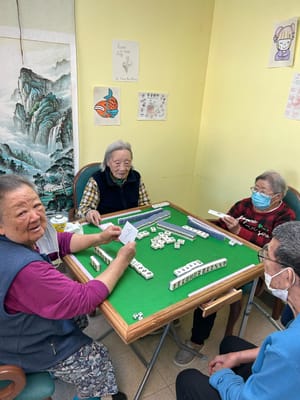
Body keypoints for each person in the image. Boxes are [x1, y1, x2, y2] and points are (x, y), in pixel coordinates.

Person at [0, 174, 136, 400]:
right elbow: (84, 299)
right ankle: (96, 387)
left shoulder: (20, 237)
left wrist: (100, 238)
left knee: (78, 319)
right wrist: (122, 259)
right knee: (98, 358)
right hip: (21, 348)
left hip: (15, 328)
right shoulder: (24, 270)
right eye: (21, 212)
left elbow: (59, 242)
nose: (35, 216)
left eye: (37, 205)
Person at [174, 170, 296, 366]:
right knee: (186, 268)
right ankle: (174, 315)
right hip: (226, 252)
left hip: (258, 264)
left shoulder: (285, 216)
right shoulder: (244, 205)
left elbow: (275, 249)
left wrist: (240, 231)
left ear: (278, 196)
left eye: (262, 191)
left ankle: (197, 340)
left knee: (211, 288)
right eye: (255, 189)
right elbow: (222, 223)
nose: (256, 194)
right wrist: (219, 225)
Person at [176, 220, 300, 400]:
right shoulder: (289, 334)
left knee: (187, 379)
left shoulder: (287, 348)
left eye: (267, 255)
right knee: (231, 345)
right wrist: (239, 356)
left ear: (288, 277)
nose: (263, 259)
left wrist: (222, 376)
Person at [76, 140, 150, 225]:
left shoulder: (136, 177)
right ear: (107, 162)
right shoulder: (96, 179)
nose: (122, 168)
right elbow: (82, 210)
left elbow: (145, 205)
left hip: (132, 222)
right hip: (106, 224)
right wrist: (89, 213)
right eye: (117, 163)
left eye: (127, 163)